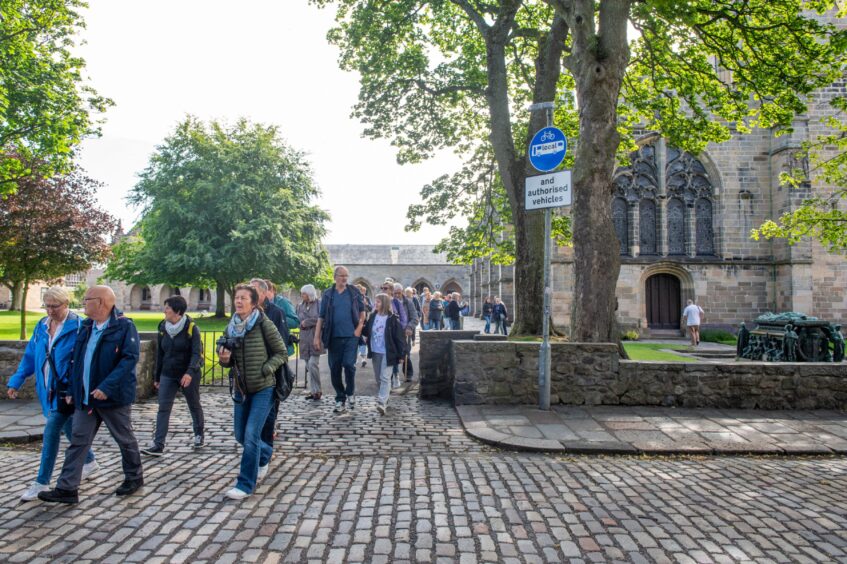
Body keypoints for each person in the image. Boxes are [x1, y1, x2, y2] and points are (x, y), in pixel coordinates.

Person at [39, 286, 143, 504]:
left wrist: (107, 387)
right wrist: (71, 390)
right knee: (78, 441)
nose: (83, 303)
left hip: (111, 398)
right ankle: (67, 489)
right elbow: (77, 361)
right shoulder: (86, 326)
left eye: (87, 300)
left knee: (124, 439)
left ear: (102, 302)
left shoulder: (124, 326)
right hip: (86, 398)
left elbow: (129, 359)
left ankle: (134, 477)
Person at [6, 287, 99, 501]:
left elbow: (85, 361)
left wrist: (74, 389)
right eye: (47, 306)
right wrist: (16, 381)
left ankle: (41, 482)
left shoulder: (78, 327)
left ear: (66, 304)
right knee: (68, 429)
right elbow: (30, 356)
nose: (50, 311)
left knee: (51, 432)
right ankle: (89, 461)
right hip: (46, 390)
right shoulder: (41, 326)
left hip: (65, 392)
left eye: (54, 307)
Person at [217, 284, 287, 500]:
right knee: (240, 435)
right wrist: (224, 359)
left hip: (263, 388)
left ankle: (245, 484)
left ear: (254, 302)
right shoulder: (231, 327)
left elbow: (281, 352)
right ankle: (265, 455)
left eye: (243, 298)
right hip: (241, 388)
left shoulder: (263, 323)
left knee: (250, 435)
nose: (238, 301)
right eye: (236, 298)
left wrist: (266, 369)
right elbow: (225, 353)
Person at [142, 295, 204, 456]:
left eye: (167, 308)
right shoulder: (163, 327)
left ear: (177, 311)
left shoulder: (191, 328)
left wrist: (190, 373)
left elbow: (197, 354)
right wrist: (157, 378)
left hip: (188, 373)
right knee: (163, 408)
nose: (165, 310)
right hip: (168, 374)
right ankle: (158, 444)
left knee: (193, 404)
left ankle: (199, 434)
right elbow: (160, 355)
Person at [314, 266, 366, 414]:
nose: (344, 278)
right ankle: (340, 398)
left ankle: (350, 392)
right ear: (335, 277)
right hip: (333, 337)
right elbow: (321, 317)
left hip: (351, 337)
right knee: (335, 368)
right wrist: (317, 337)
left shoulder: (354, 292)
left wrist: (358, 329)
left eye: (346, 276)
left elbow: (363, 312)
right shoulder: (328, 294)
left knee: (349, 364)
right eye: (342, 276)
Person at [251, 279, 289, 465]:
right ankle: (257, 449)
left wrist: (269, 367)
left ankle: (263, 456)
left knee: (268, 417)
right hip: (249, 376)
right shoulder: (244, 314)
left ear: (265, 294)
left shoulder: (275, 312)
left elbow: (280, 346)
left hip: (269, 373)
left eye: (254, 291)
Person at [363, 293, 406, 415]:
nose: (375, 304)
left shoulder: (392, 319)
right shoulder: (373, 316)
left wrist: (402, 355)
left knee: (385, 377)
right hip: (375, 351)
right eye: (375, 301)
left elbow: (399, 339)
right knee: (379, 378)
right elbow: (366, 331)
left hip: (389, 353)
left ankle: (381, 402)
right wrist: (360, 323)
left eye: (378, 302)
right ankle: (385, 398)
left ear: (385, 304)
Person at [297, 284, 323, 400]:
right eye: (301, 293)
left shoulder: (319, 304)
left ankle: (318, 390)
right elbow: (297, 319)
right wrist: (301, 323)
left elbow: (322, 319)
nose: (302, 295)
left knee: (313, 364)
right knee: (308, 365)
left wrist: (307, 322)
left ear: (310, 294)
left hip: (315, 337)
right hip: (304, 337)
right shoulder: (300, 305)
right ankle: (314, 391)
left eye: (304, 293)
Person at [266, 280, 299, 356]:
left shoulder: (283, 302)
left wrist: (278, 318)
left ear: (272, 291)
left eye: (264, 291)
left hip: (282, 344)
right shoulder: (258, 304)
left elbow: (295, 322)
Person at [356, 284, 372, 367]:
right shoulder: (352, 298)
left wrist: (366, 304)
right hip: (354, 323)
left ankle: (363, 359)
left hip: (363, 322)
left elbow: (371, 308)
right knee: (356, 340)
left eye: (359, 290)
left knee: (362, 341)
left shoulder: (366, 298)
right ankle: (356, 359)